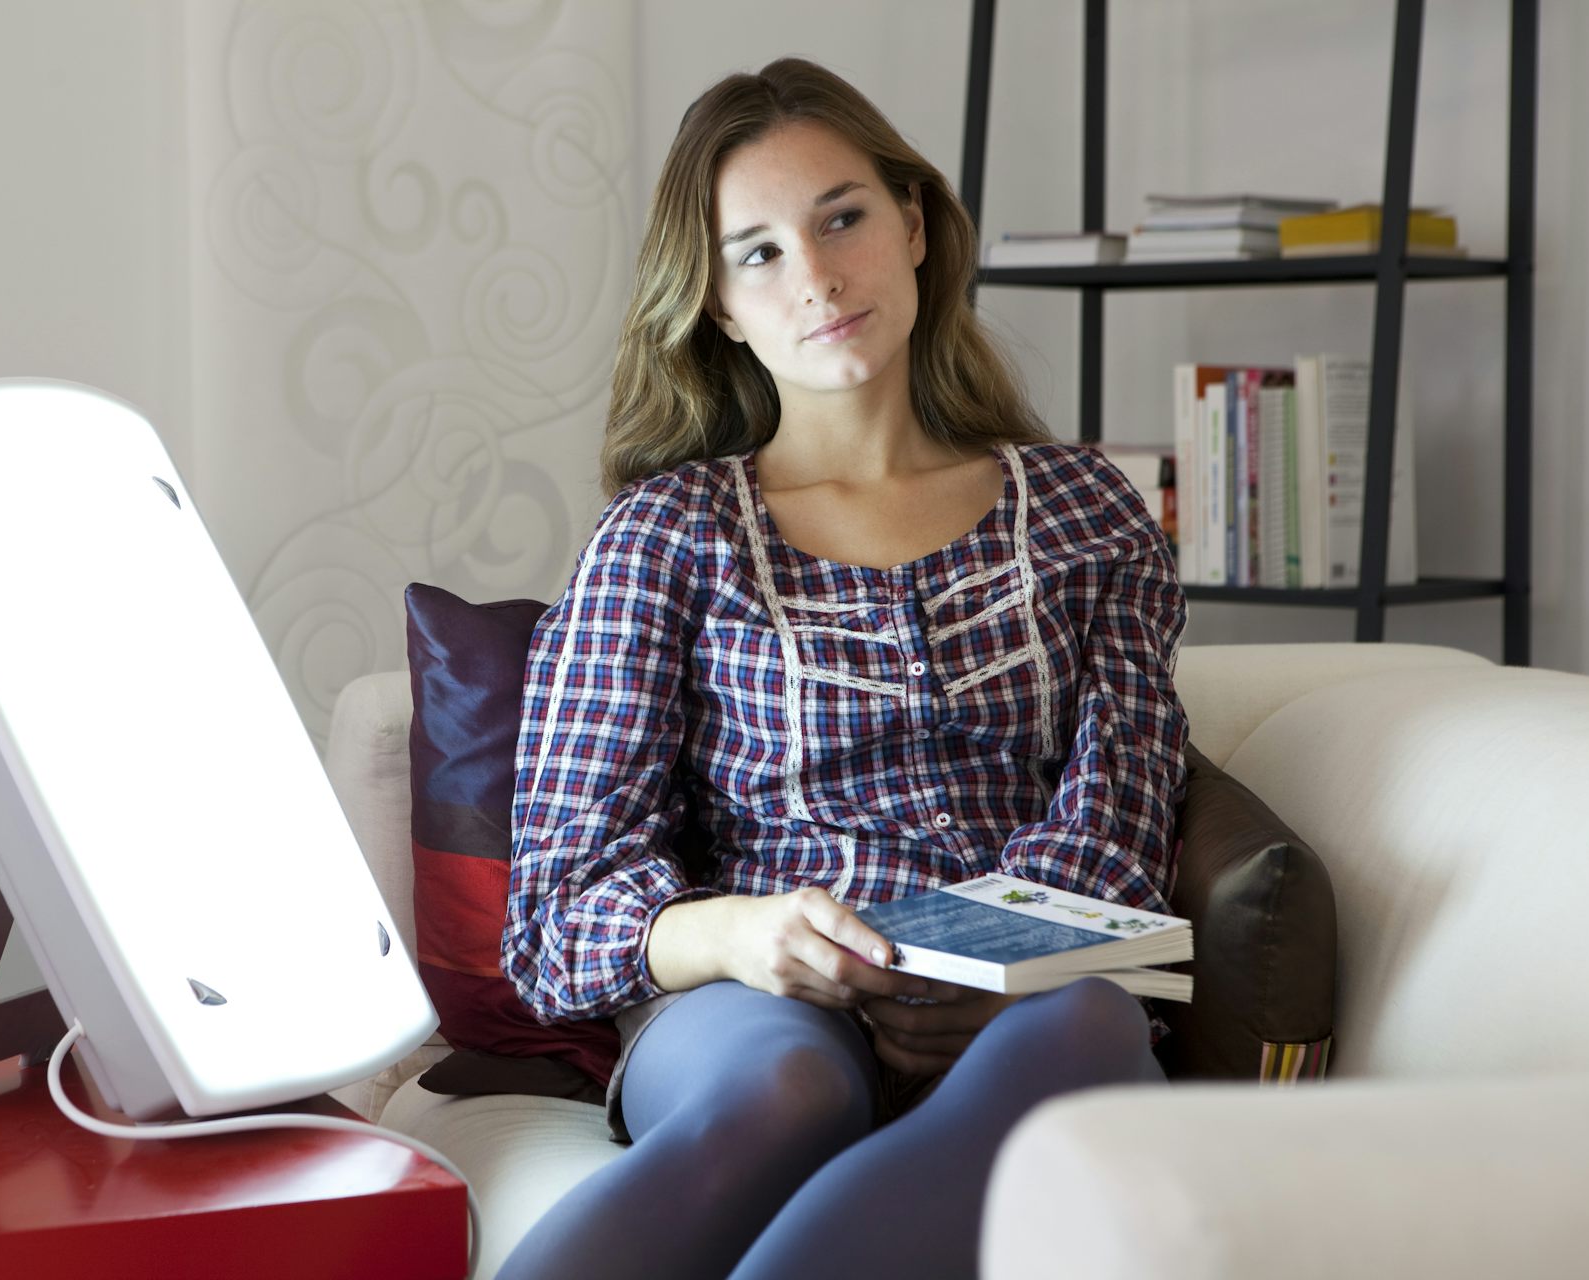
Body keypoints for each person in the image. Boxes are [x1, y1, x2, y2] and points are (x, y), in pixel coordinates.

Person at [497, 57, 1188, 1280]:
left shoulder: (1089, 508)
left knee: (1086, 1026)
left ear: (913, 225)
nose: (814, 277)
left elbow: (1119, 821)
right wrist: (739, 936)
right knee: (792, 1085)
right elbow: (558, 906)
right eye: (757, 251)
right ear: (716, 302)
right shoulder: (670, 532)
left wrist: (988, 962)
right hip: (755, 1001)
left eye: (842, 218)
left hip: (1028, 986)